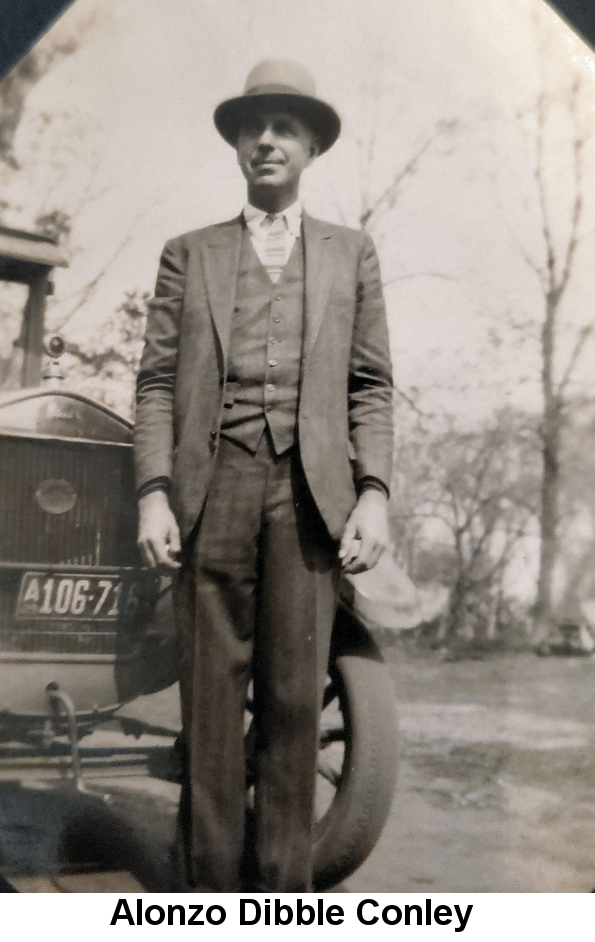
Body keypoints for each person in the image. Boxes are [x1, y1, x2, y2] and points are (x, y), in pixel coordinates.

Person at [133, 59, 393, 892]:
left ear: (312, 145)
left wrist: (375, 495)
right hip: (213, 492)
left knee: (289, 708)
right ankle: (207, 899)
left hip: (313, 502)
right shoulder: (190, 254)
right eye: (255, 127)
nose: (268, 140)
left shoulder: (352, 254)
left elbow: (370, 386)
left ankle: (282, 904)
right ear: (236, 144)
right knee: (210, 712)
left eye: (285, 127)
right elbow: (154, 384)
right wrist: (153, 492)